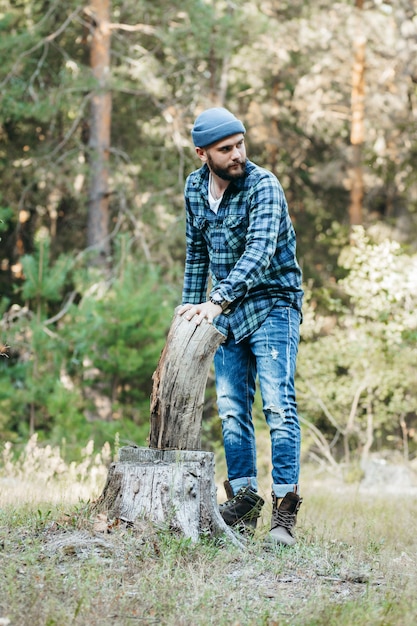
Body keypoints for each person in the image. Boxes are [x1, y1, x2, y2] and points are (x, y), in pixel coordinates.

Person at [178, 107, 304, 546]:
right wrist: (190, 312)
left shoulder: (263, 185)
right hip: (227, 311)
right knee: (232, 410)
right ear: (202, 153)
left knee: (277, 407)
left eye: (240, 144)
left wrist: (216, 301)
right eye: (225, 149)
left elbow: (259, 253)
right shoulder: (195, 188)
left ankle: (283, 514)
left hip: (273, 302)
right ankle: (245, 504)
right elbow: (196, 254)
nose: (238, 154)